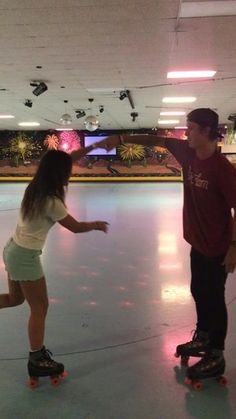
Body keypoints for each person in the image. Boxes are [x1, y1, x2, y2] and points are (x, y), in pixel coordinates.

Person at [100, 108, 236, 381]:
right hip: (197, 242)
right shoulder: (187, 152)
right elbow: (156, 141)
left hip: (217, 247)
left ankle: (216, 354)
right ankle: (204, 337)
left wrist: (234, 246)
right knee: (199, 290)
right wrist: (121, 139)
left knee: (213, 297)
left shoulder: (222, 169)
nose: (186, 133)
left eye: (191, 128)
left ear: (207, 131)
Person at [1, 141, 109, 381]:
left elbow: (68, 158)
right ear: (61, 173)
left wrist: (92, 148)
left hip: (12, 249)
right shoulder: (52, 201)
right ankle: (37, 358)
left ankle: (36, 355)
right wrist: (95, 225)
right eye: (68, 169)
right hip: (25, 256)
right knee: (40, 307)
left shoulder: (35, 187)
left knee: (15, 299)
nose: (71, 171)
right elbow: (75, 228)